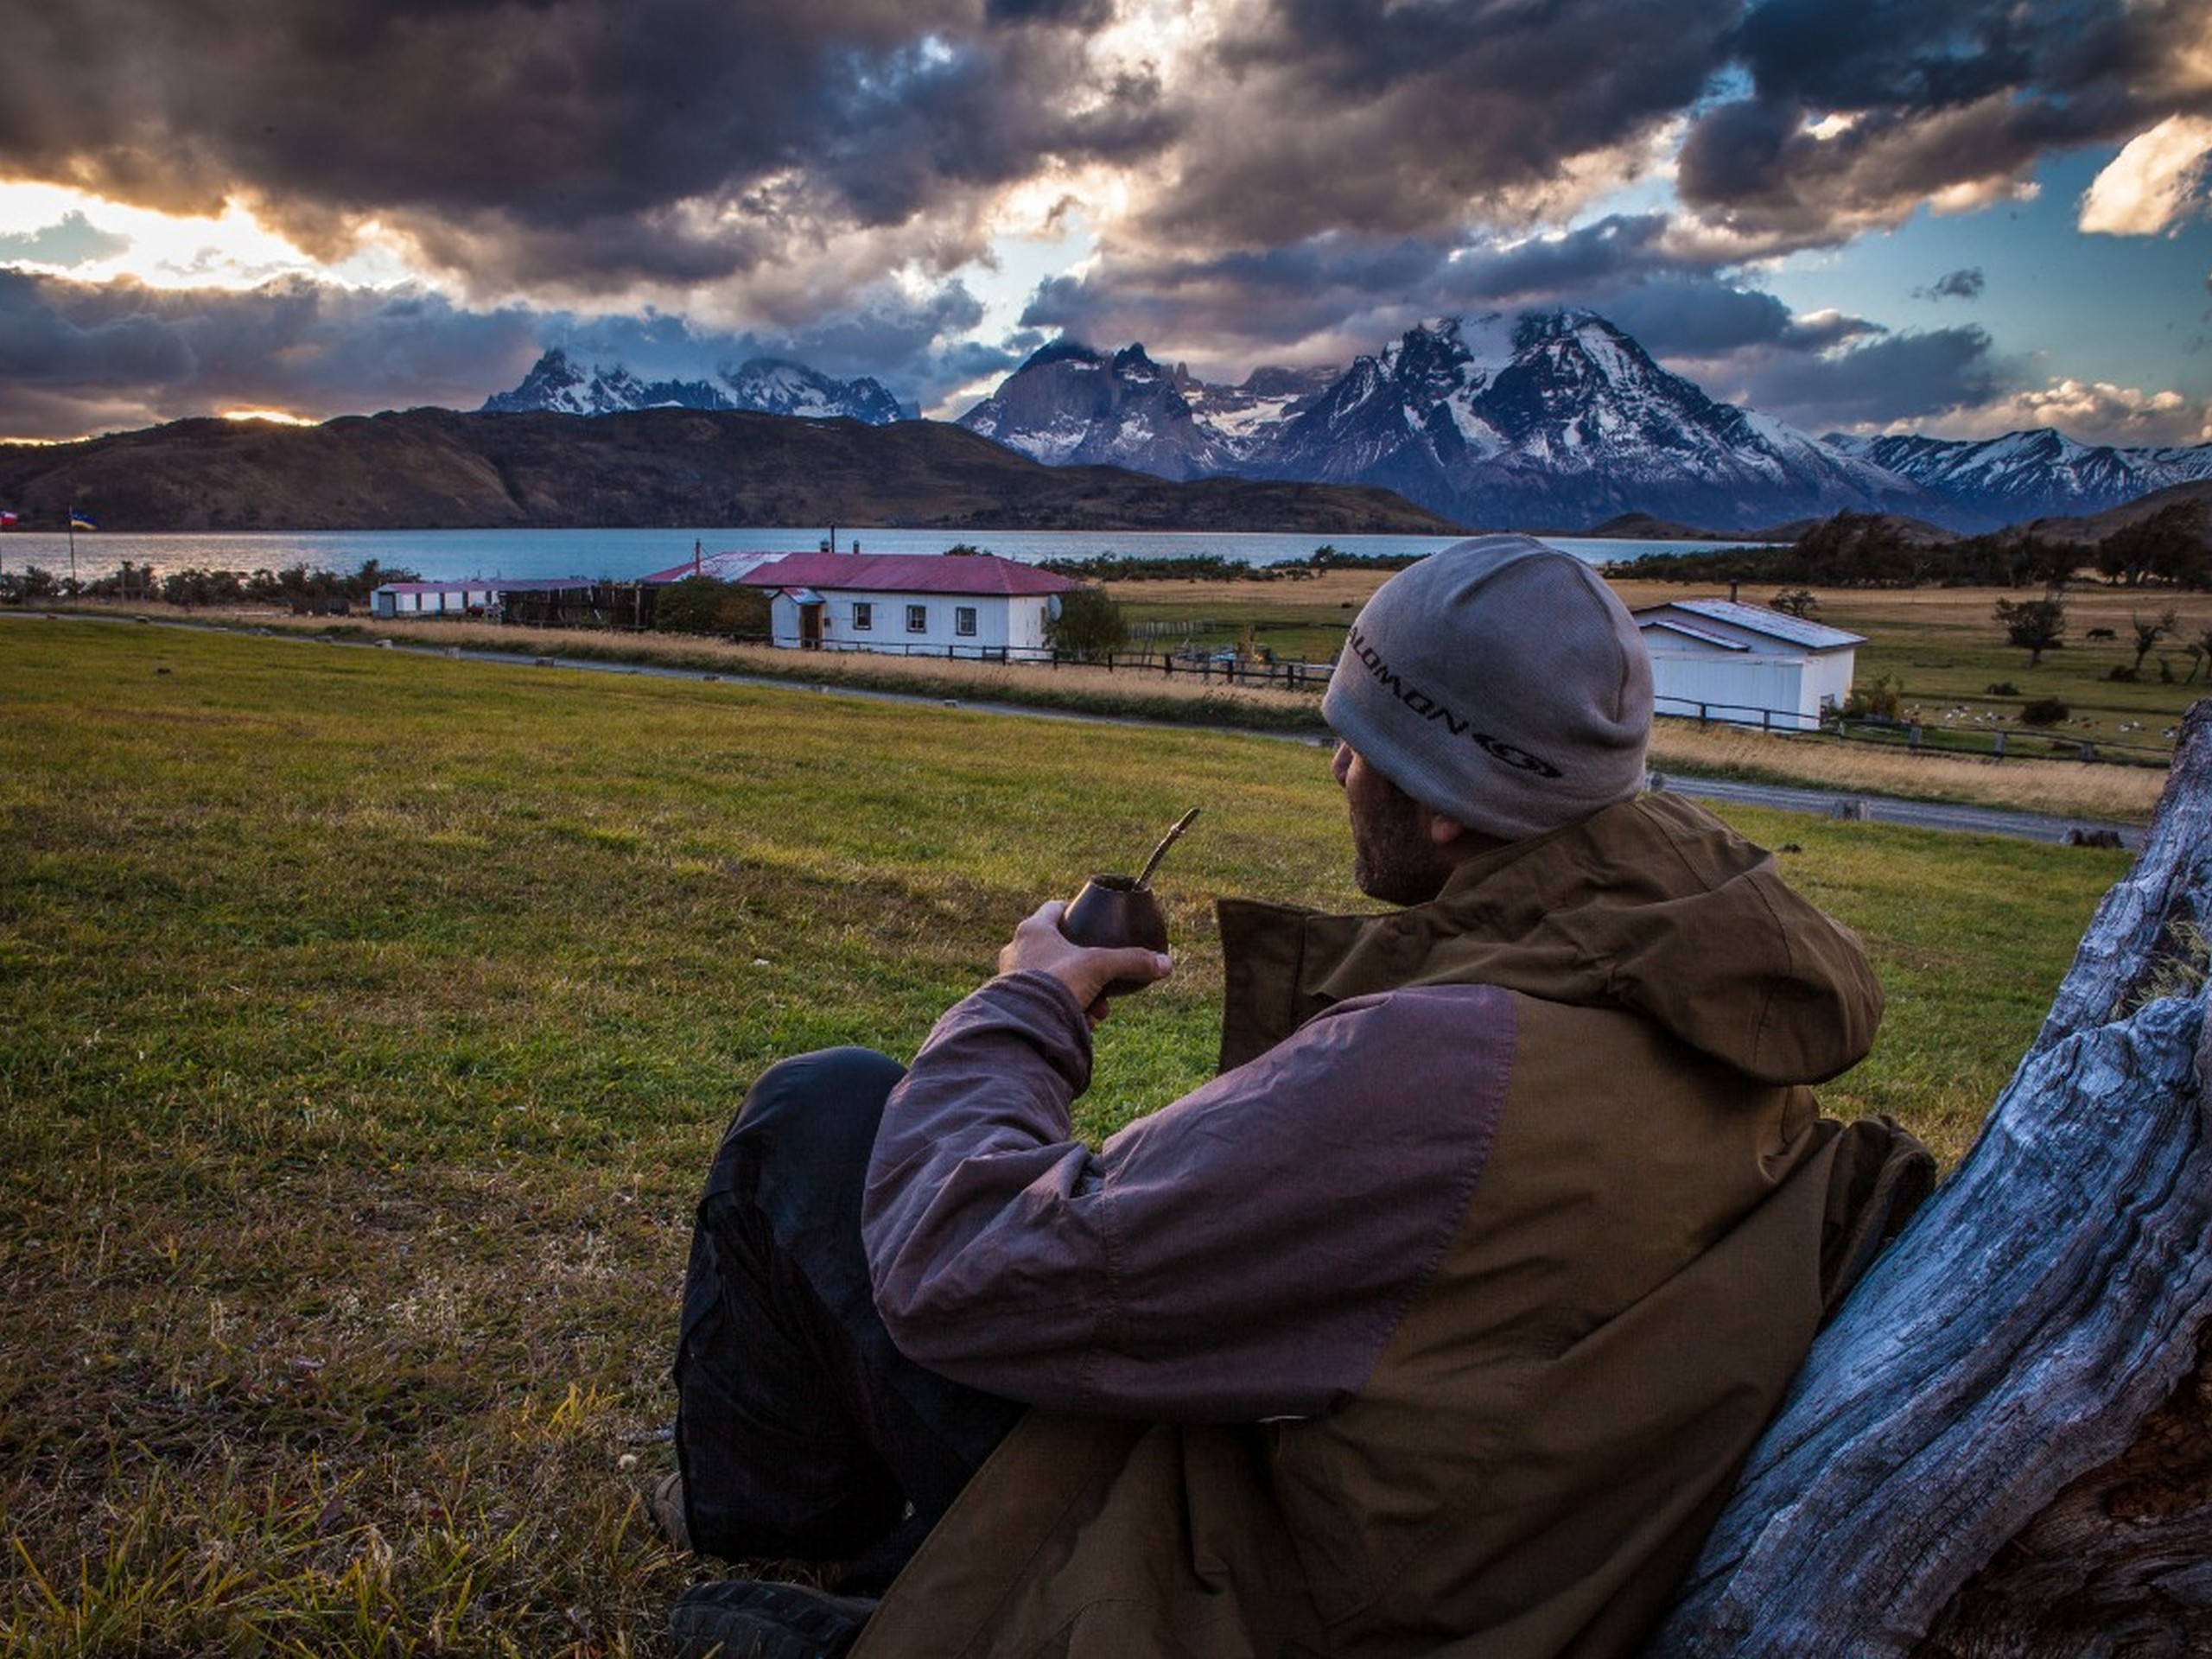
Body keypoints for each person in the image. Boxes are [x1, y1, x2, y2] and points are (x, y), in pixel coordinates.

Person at [659, 534, 1934, 1659]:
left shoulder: (1453, 1065)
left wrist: (1029, 1002)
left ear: (1444, 806)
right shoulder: (1697, 974)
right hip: (1434, 1535)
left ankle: (807, 1543)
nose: (1337, 767)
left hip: (1248, 1573)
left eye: (1362, 740)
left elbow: (964, 1272)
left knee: (824, 1113)